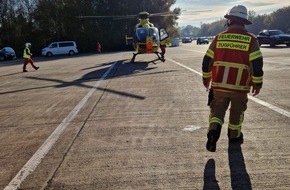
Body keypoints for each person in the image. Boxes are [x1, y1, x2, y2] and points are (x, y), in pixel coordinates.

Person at [201, 5, 264, 152]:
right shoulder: (251, 40)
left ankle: (214, 130)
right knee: (237, 113)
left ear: (229, 21)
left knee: (217, 111)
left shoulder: (219, 37)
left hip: (219, 86)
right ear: (244, 22)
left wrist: (206, 78)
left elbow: (206, 61)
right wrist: (257, 83)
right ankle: (234, 136)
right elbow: (257, 64)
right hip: (240, 88)